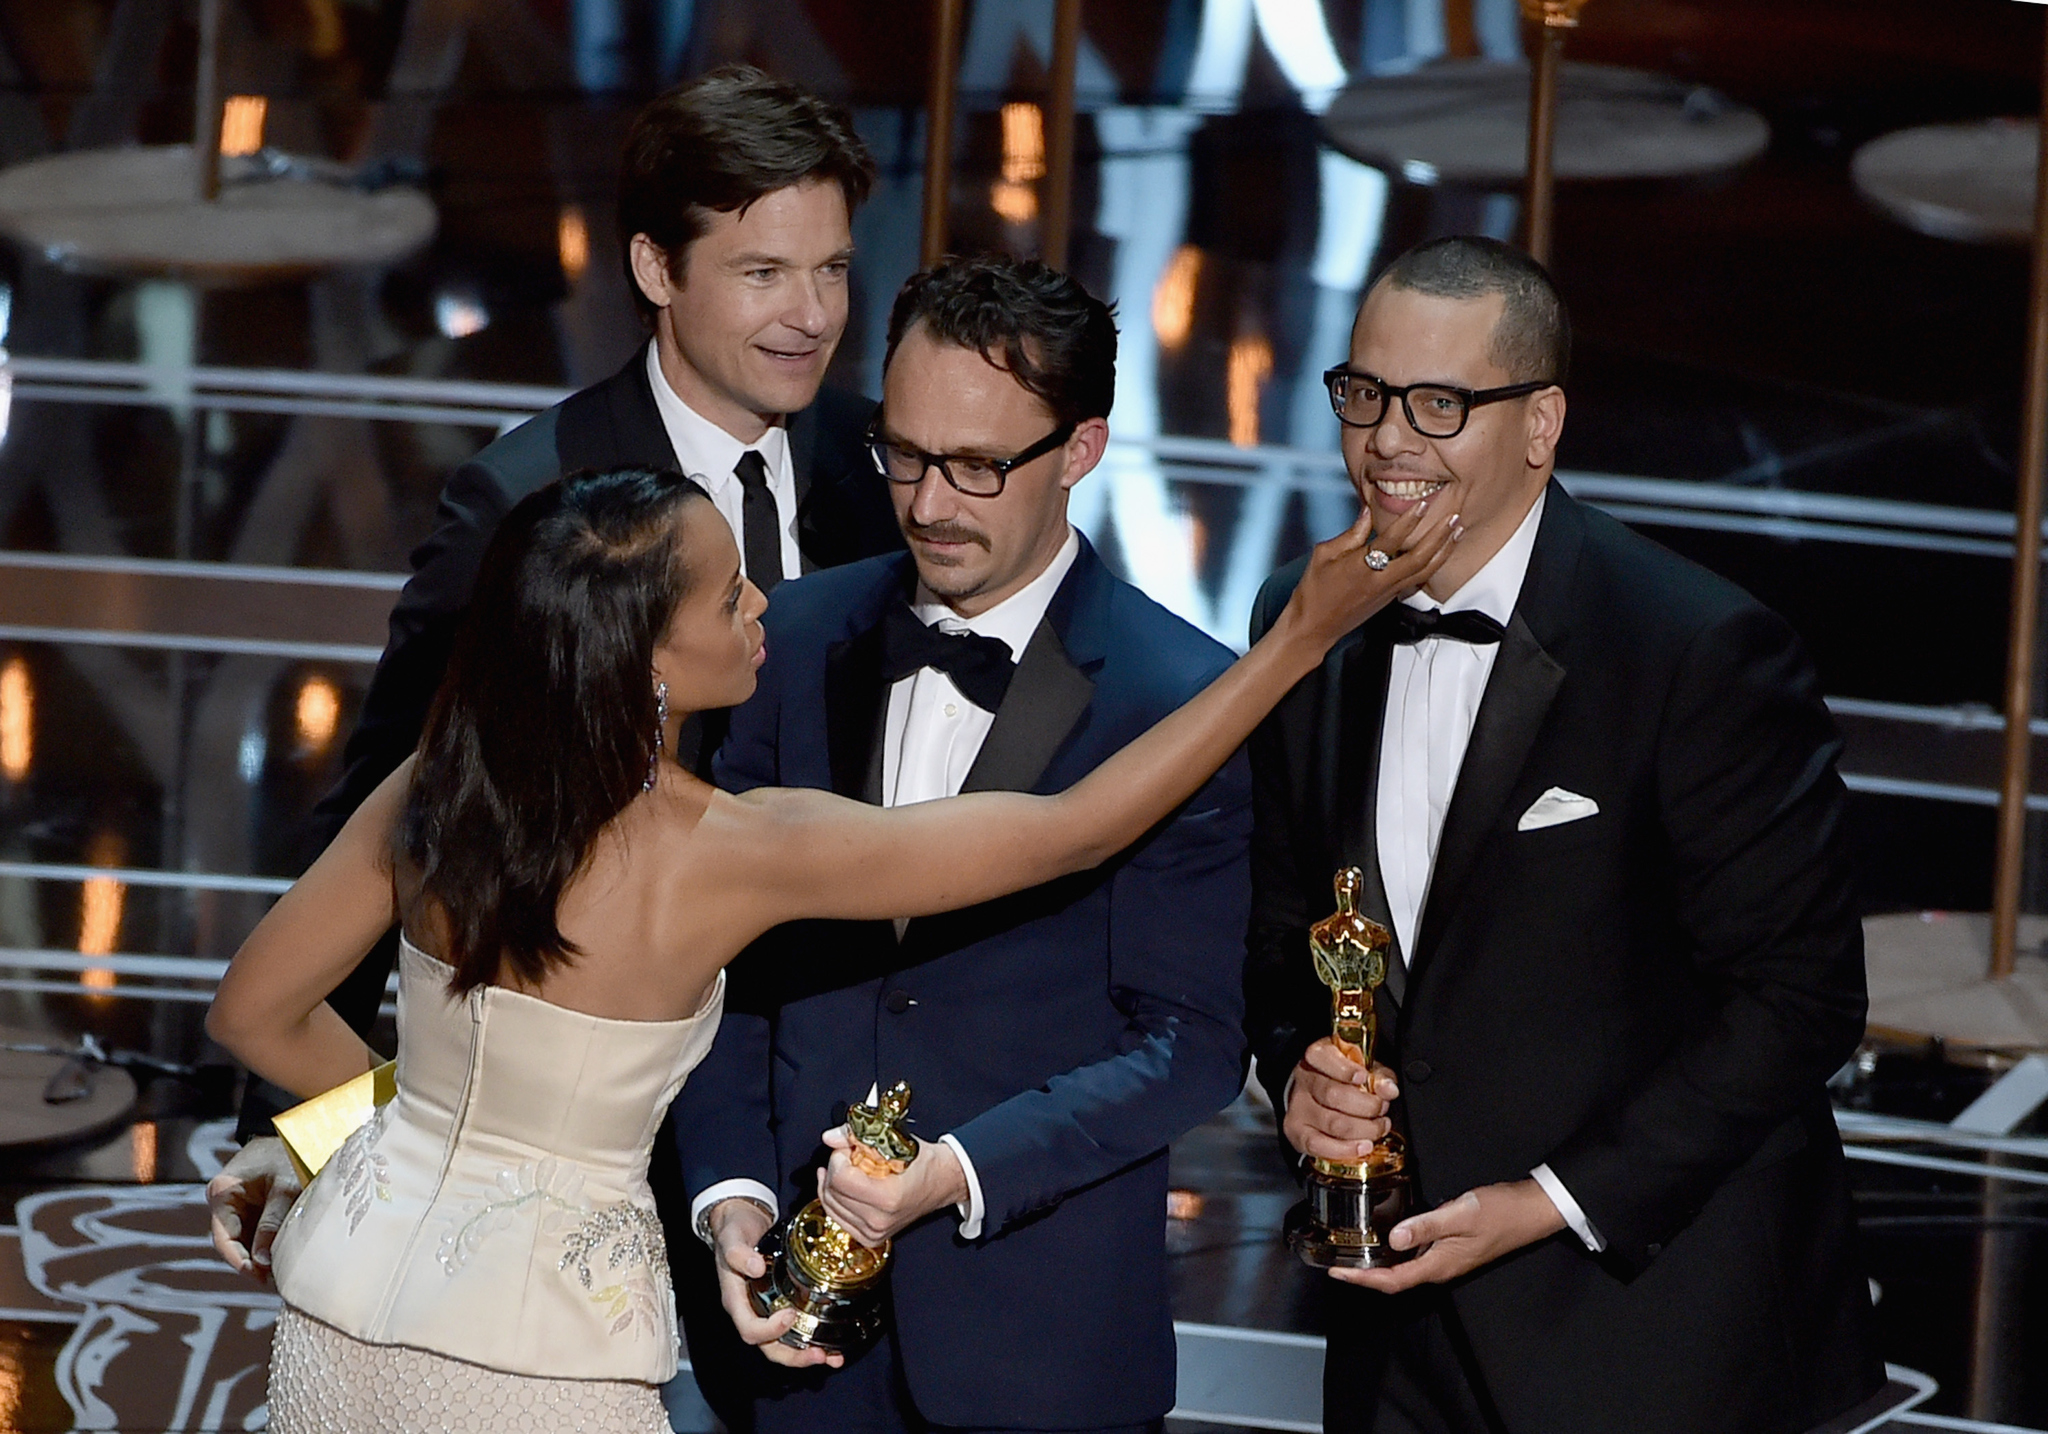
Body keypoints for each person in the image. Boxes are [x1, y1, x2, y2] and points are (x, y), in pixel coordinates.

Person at [204, 462, 1455, 1431]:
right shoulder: (731, 850)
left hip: (329, 1319)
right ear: (643, 660)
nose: (763, 604)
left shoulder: (436, 787)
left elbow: (254, 1016)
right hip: (538, 1369)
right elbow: (1076, 831)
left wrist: (399, 1139)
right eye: (728, 596)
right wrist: (1295, 639)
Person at [217, 64, 900, 1423]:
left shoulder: (873, 474)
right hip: (564, 1215)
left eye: (832, 270)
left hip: (811, 1148)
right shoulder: (526, 502)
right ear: (656, 265)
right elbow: (388, 814)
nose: (810, 315)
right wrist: (316, 1139)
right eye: (763, 271)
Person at [1242, 235, 1884, 1434]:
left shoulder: (1692, 648)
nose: (1387, 439)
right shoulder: (1300, 616)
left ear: (1538, 424)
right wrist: (1296, 1076)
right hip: (1392, 1332)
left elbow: (1798, 1002)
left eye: (1439, 405)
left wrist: (1544, 1201)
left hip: (1649, 1329)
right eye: (1365, 394)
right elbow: (1282, 926)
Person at [674, 254, 1264, 1433]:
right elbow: (716, 958)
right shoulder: (781, 641)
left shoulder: (1177, 698)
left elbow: (1190, 1043)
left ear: (1081, 451)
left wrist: (956, 1173)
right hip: (786, 1344)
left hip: (1039, 1349)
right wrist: (728, 1192)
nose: (929, 502)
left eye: (979, 466)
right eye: (902, 452)